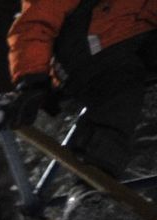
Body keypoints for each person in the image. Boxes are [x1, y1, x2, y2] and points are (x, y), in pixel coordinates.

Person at [8, 0, 157, 179]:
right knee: (121, 81)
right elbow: (39, 16)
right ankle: (92, 175)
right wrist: (32, 79)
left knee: (126, 74)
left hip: (135, 37)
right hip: (89, 45)